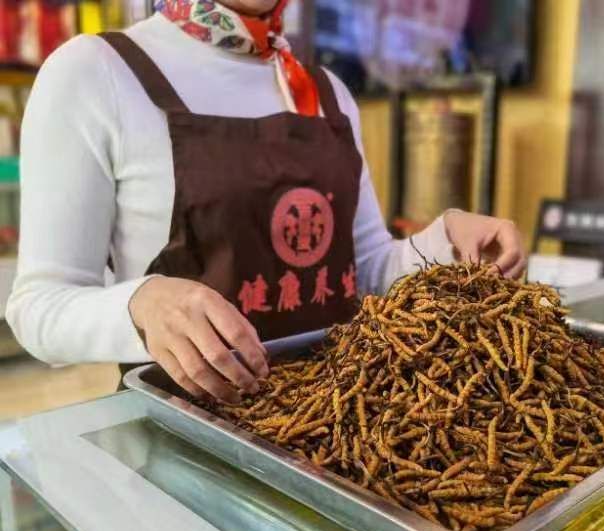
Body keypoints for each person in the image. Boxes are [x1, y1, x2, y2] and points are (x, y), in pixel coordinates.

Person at [7, 0, 525, 404]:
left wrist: (445, 242)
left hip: (339, 434)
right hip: (183, 443)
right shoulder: (96, 72)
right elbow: (38, 307)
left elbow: (363, 273)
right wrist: (141, 303)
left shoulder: (328, 93)